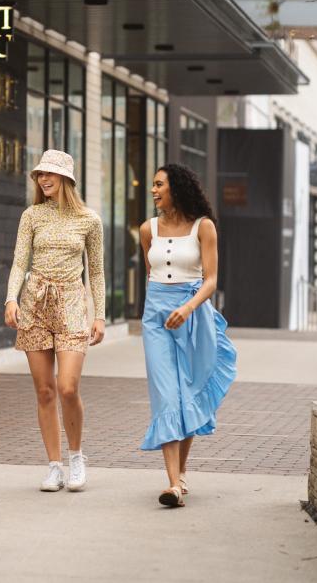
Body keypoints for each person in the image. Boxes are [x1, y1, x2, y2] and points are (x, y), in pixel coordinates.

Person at [4, 150, 105, 492]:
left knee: (68, 387)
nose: (43, 179)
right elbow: (20, 261)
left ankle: (77, 457)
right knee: (45, 390)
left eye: (49, 174)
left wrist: (101, 315)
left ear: (66, 179)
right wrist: (10, 298)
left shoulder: (89, 220)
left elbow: (97, 272)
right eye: (39, 175)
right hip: (35, 304)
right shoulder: (31, 216)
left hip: (73, 305)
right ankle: (54, 465)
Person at [139, 163, 237, 507]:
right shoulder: (147, 229)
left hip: (193, 314)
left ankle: (180, 475)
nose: (153, 191)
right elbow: (151, 274)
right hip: (155, 319)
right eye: (152, 185)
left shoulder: (203, 227)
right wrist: (162, 309)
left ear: (176, 188)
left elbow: (211, 279)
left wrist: (188, 307)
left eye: (158, 185)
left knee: (188, 392)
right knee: (166, 395)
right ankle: (172, 484)